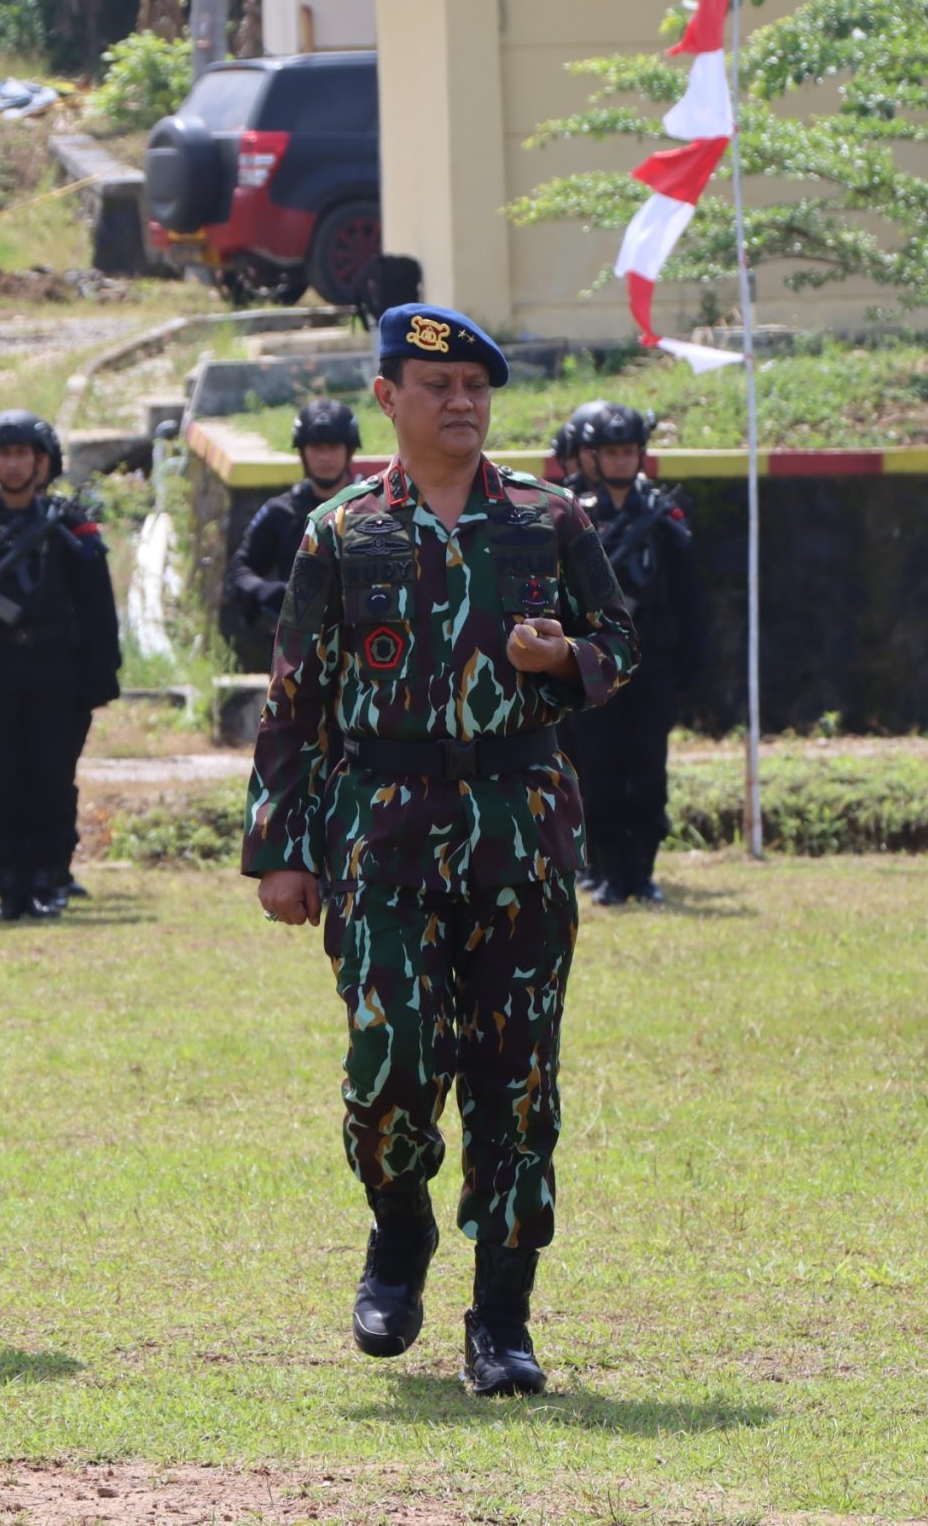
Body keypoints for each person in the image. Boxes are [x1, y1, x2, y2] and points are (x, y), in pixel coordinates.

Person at [243, 302, 639, 1398]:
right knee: (391, 1061)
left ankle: (501, 1320)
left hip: (519, 828)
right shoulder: (340, 531)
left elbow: (624, 643)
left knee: (516, 1084)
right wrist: (282, 848)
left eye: (474, 387)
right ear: (388, 399)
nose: (460, 403)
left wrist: (563, 659)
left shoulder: (547, 522)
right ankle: (399, 1229)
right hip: (382, 832)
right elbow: (293, 699)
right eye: (436, 387)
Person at [0, 410, 120, 922]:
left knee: (50, 779)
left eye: (24, 453)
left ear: (42, 461)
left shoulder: (67, 524)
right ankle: (10, 886)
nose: (14, 463)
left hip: (57, 674)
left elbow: (97, 604)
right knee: (1, 781)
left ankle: (48, 880)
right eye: (5, 453)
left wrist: (100, 674)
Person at [565, 402, 708, 904]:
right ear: (594, 457)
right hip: (594, 666)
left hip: (652, 666)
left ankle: (642, 872)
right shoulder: (575, 515)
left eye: (629, 452)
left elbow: (690, 598)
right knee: (598, 773)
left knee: (648, 771)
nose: (621, 461)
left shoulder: (664, 518)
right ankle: (606, 871)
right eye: (611, 452)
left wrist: (692, 666)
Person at [225, 398, 361, 651]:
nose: (324, 456)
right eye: (315, 447)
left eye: (333, 446)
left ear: (349, 450)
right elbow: (239, 570)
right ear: (302, 452)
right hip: (296, 647)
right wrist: (265, 591)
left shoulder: (372, 510)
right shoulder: (281, 512)